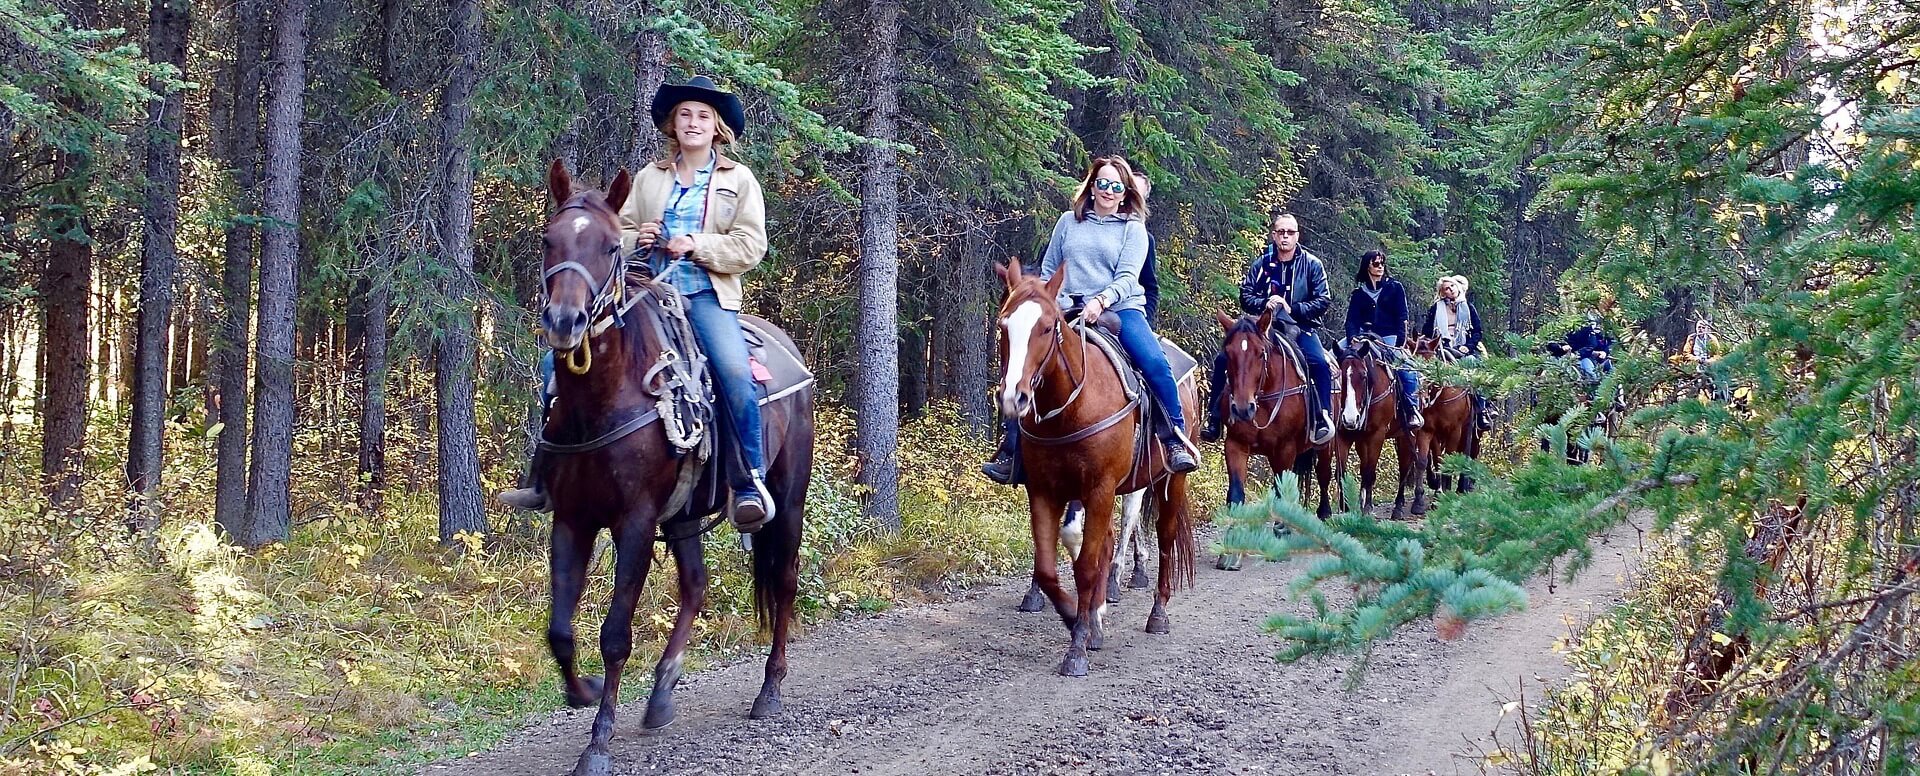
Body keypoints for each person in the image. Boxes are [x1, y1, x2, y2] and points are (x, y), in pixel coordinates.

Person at [498, 75, 776, 534]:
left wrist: (694, 244)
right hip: (645, 292)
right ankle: (545, 475)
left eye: (702, 116)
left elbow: (751, 246)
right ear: (672, 124)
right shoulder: (650, 178)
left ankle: (748, 482)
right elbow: (612, 234)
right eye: (685, 114)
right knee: (555, 363)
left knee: (733, 373)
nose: (692, 123)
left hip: (707, 295)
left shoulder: (737, 181)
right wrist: (637, 237)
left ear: (717, 128)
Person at [981, 155, 1200, 484]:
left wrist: (1101, 301)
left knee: (1154, 362)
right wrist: (1047, 301)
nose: (1108, 191)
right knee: (1026, 362)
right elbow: (1049, 268)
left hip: (1120, 309)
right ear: (1092, 186)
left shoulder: (1133, 229)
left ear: (1125, 192)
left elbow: (1128, 278)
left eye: (1116, 186)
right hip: (1067, 307)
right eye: (1102, 184)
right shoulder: (1068, 221)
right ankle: (1013, 451)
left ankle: (1174, 439)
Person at [1201, 212, 1336, 445]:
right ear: (1274, 235)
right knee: (1224, 358)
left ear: (1297, 236)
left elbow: (1323, 300)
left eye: (1290, 232)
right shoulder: (1261, 264)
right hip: (1260, 328)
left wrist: (1292, 308)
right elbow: (1245, 296)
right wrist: (1265, 303)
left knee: (1318, 362)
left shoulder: (1312, 265)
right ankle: (1214, 417)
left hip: (1299, 326)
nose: (1285, 237)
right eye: (1281, 232)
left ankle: (1321, 416)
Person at [1342, 250, 1423, 431]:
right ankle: (1330, 408)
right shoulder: (1358, 294)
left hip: (1388, 337)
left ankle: (1412, 409)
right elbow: (1351, 320)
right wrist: (1352, 337)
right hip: (1362, 337)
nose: (1380, 267)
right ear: (1367, 266)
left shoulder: (1395, 288)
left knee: (1407, 367)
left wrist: (1400, 341)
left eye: (1382, 263)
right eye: (1375, 263)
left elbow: (1402, 316)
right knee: (1333, 358)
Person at [1420, 274, 1492, 430]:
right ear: (1442, 292)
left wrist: (1468, 346)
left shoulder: (1468, 307)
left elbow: (1477, 332)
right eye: (1446, 288)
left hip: (1464, 348)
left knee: (1476, 367)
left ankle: (1482, 409)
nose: (1450, 289)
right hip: (1442, 348)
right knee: (1424, 369)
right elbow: (1426, 330)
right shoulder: (1436, 308)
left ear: (1457, 286)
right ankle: (1418, 407)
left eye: (1451, 285)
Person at [1567, 311, 1613, 383]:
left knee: (1611, 370)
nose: (1596, 326)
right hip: (1582, 360)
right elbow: (1577, 351)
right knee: (1590, 370)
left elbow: (1605, 345)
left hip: (1599, 361)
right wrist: (1593, 352)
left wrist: (1604, 352)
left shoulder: (1599, 333)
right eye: (1593, 323)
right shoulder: (1579, 333)